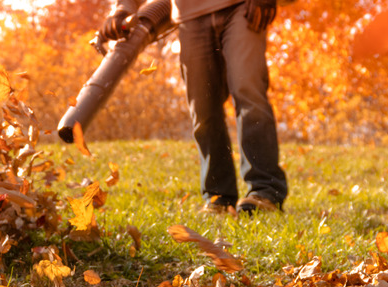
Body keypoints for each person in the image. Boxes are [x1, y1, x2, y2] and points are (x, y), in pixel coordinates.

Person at [101, 0, 288, 215]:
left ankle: (265, 192)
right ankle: (218, 197)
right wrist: (122, 10)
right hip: (190, 15)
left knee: (248, 91)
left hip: (241, 6)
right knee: (203, 108)